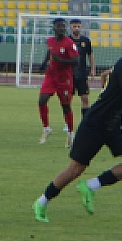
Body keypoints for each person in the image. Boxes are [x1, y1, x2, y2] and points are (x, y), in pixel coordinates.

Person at [33, 30, 122, 223]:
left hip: (113, 123)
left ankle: (91, 186)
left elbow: (110, 74)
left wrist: (106, 77)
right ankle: (42, 202)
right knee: (76, 168)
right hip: (96, 123)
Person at [36, 18, 77, 146]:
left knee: (65, 106)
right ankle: (46, 128)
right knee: (42, 100)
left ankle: (70, 133)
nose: (61, 28)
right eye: (59, 26)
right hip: (51, 76)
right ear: (54, 28)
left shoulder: (69, 43)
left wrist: (60, 60)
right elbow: (50, 51)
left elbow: (76, 60)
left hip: (64, 78)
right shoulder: (50, 41)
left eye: (63, 26)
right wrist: (44, 63)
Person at [70, 20, 94, 113]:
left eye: (78, 26)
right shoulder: (67, 40)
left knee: (85, 98)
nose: (76, 28)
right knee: (68, 99)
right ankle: (68, 123)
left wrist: (92, 69)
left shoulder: (86, 41)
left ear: (81, 27)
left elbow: (90, 55)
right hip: (70, 73)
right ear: (70, 27)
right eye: (74, 26)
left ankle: (85, 121)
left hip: (82, 73)